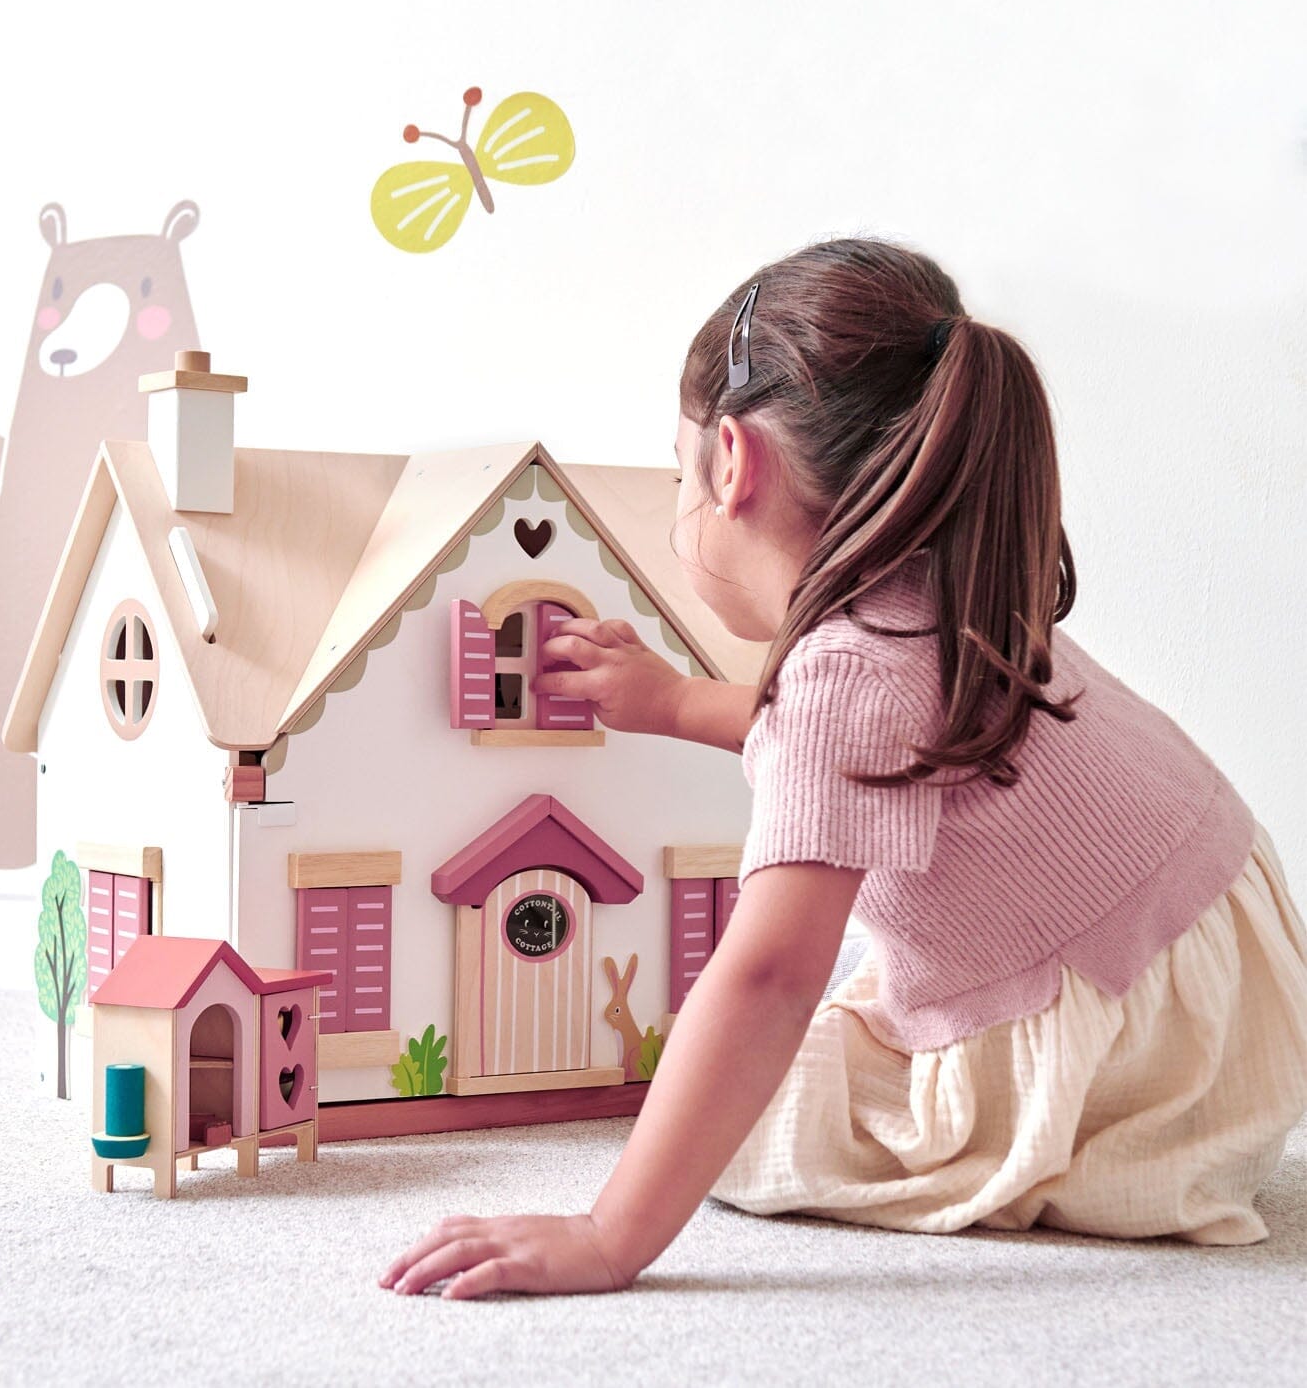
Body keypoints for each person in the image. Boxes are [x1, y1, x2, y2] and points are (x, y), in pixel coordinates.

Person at [378, 237, 1307, 1302]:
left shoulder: (843, 671)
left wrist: (608, 1234)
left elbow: (768, 974)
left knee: (749, 1130)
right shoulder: (945, 585)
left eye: (681, 469)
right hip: (1213, 969)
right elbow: (856, 744)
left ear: (732, 464)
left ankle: (1092, 1148)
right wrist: (677, 703)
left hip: (1145, 1049)